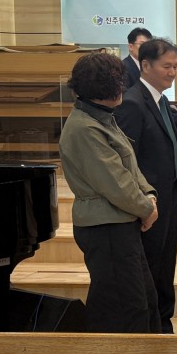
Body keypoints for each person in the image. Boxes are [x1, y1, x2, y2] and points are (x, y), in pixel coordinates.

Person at [59, 52, 160, 333]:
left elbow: (130, 165)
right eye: (117, 82)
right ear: (102, 88)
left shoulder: (102, 117)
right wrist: (146, 208)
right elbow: (116, 183)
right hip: (105, 228)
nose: (122, 87)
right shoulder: (84, 128)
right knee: (124, 309)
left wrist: (149, 196)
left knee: (145, 301)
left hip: (121, 222)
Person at [115, 38, 177, 333]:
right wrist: (144, 202)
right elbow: (126, 161)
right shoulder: (133, 103)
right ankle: (153, 328)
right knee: (152, 266)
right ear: (145, 65)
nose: (172, 72)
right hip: (150, 203)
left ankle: (164, 322)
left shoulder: (161, 101)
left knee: (166, 264)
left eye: (175, 66)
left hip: (169, 196)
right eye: (166, 66)